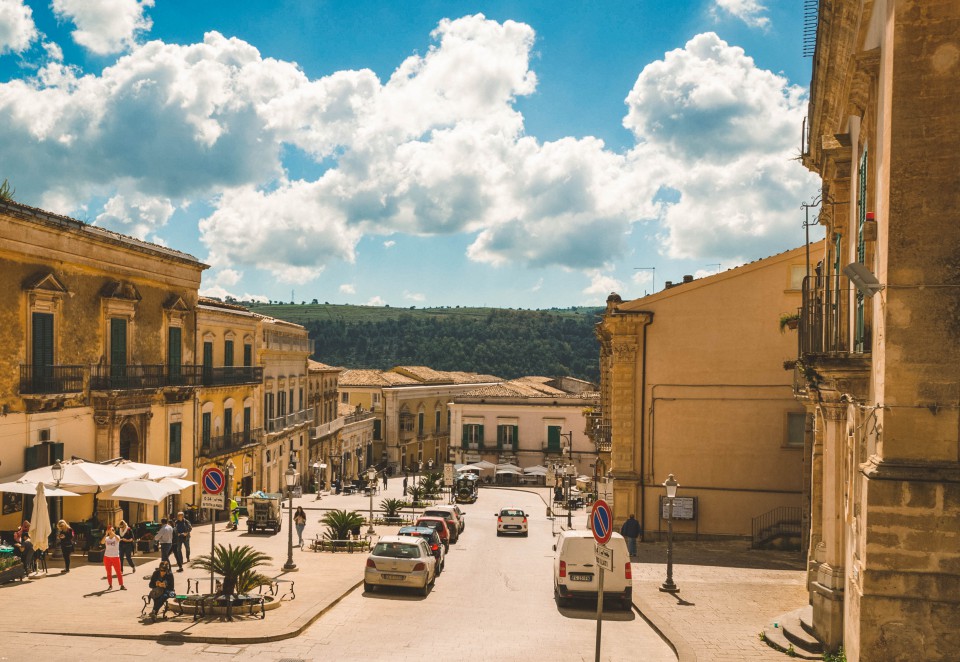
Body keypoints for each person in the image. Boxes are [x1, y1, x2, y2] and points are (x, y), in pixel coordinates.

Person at [101, 526, 125, 590]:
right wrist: (106, 534)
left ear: (114, 531)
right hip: (107, 557)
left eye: (112, 530)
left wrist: (113, 533)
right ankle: (110, 585)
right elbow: (102, 542)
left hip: (115, 557)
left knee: (118, 572)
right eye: (110, 530)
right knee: (108, 572)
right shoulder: (107, 538)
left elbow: (119, 539)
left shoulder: (117, 537)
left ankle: (121, 585)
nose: (111, 531)